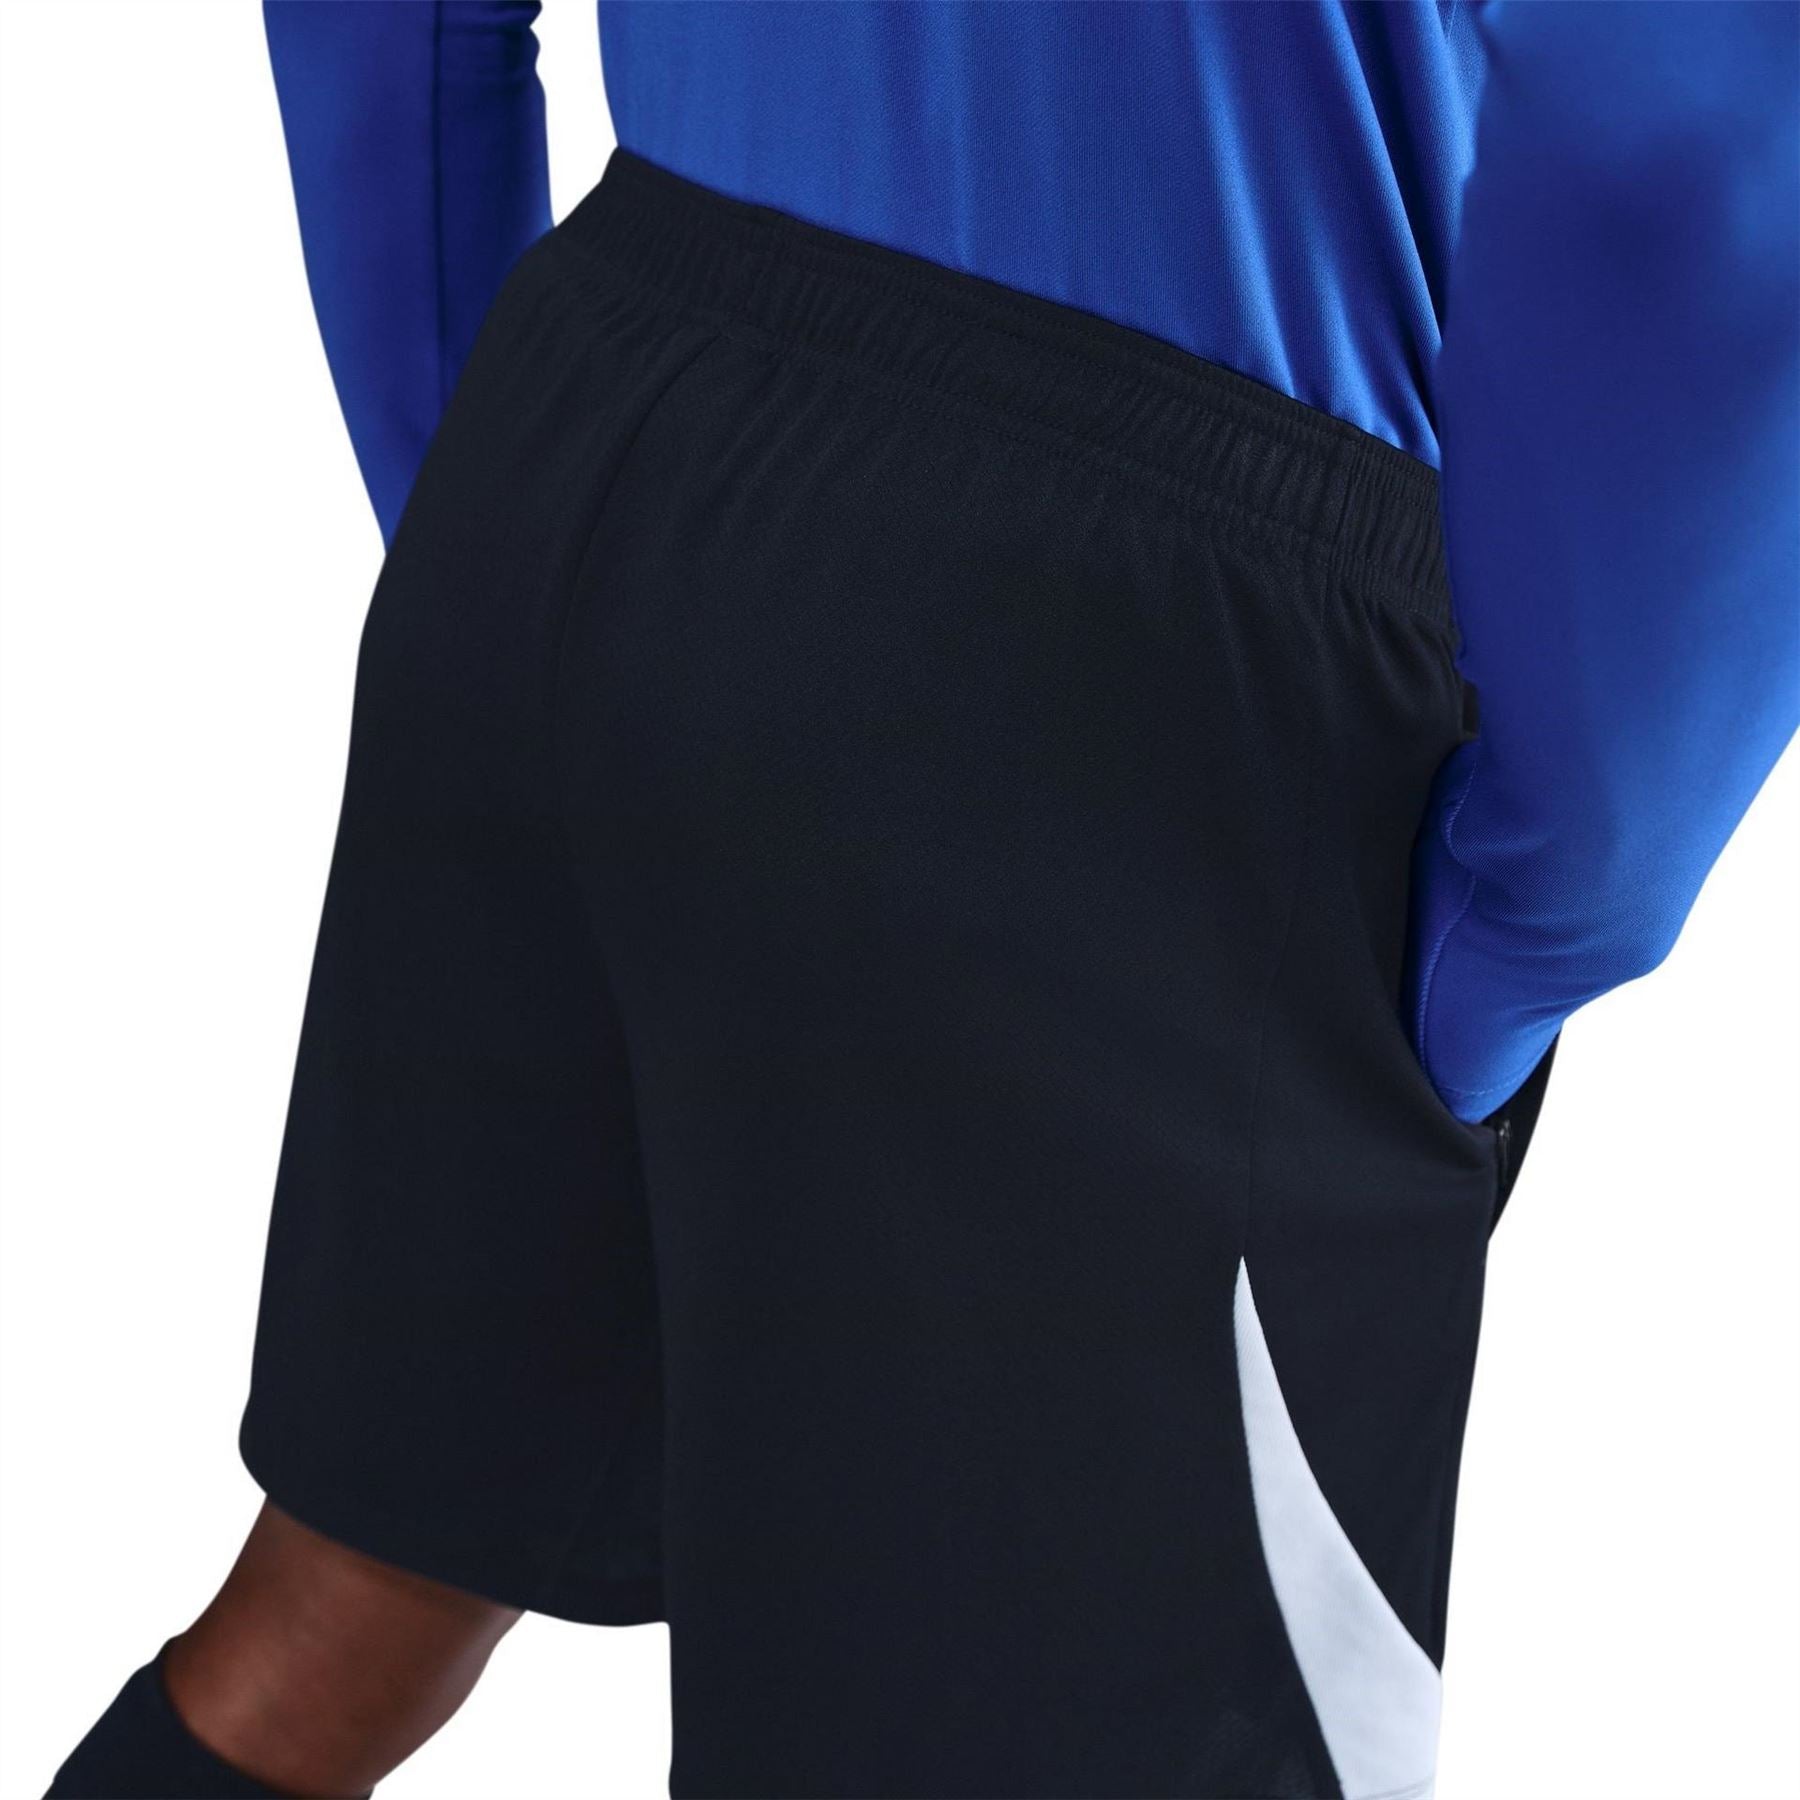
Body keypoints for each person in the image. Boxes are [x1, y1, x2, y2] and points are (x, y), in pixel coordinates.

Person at [49, 3, 1798, 1797]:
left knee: (332, 1623)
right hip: (1157, 646)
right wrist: (1550, 895)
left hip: (615, 397)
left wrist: (493, 510)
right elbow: (1696, 139)